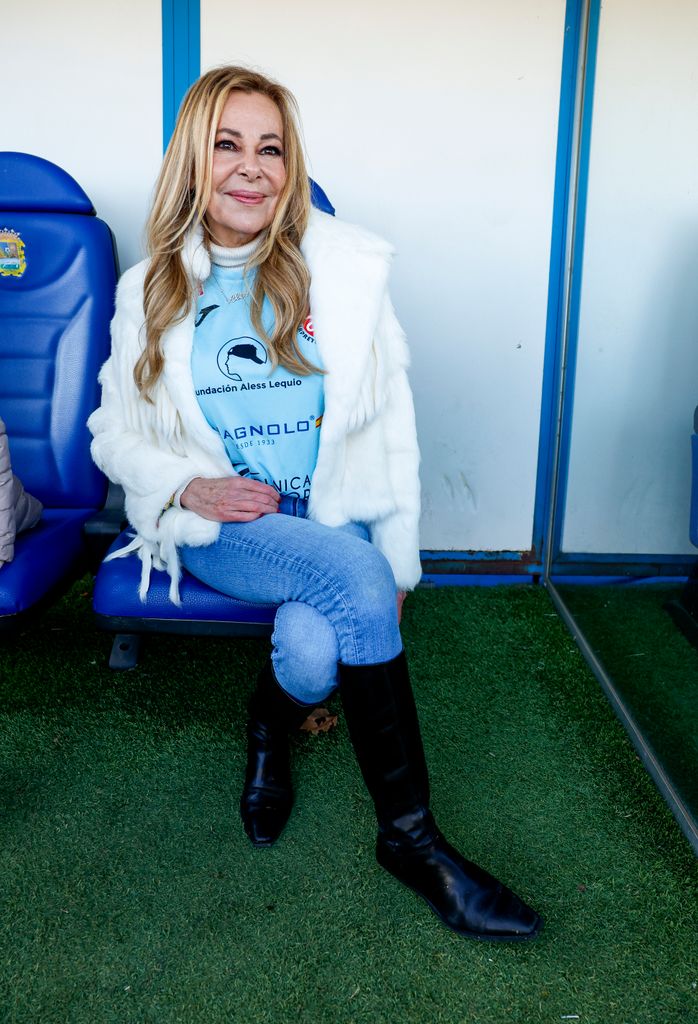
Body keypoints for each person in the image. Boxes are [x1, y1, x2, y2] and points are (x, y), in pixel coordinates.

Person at [88, 65, 541, 942]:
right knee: (354, 591)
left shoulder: (343, 276)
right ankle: (413, 841)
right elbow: (113, 432)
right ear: (194, 161)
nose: (251, 168)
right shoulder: (150, 289)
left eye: (272, 149)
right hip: (234, 526)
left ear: (291, 169)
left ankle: (268, 722)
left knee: (311, 651)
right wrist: (183, 485)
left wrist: (391, 555)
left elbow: (389, 432)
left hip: (328, 519)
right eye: (228, 145)